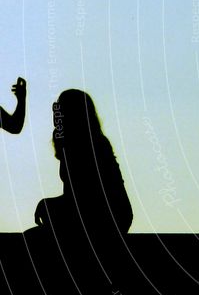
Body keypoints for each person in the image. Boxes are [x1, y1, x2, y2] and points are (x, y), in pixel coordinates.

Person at [33, 89, 133, 239]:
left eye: (60, 108)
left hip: (107, 217)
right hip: (104, 215)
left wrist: (48, 205)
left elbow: (86, 195)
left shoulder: (89, 145)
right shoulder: (82, 143)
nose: (56, 113)